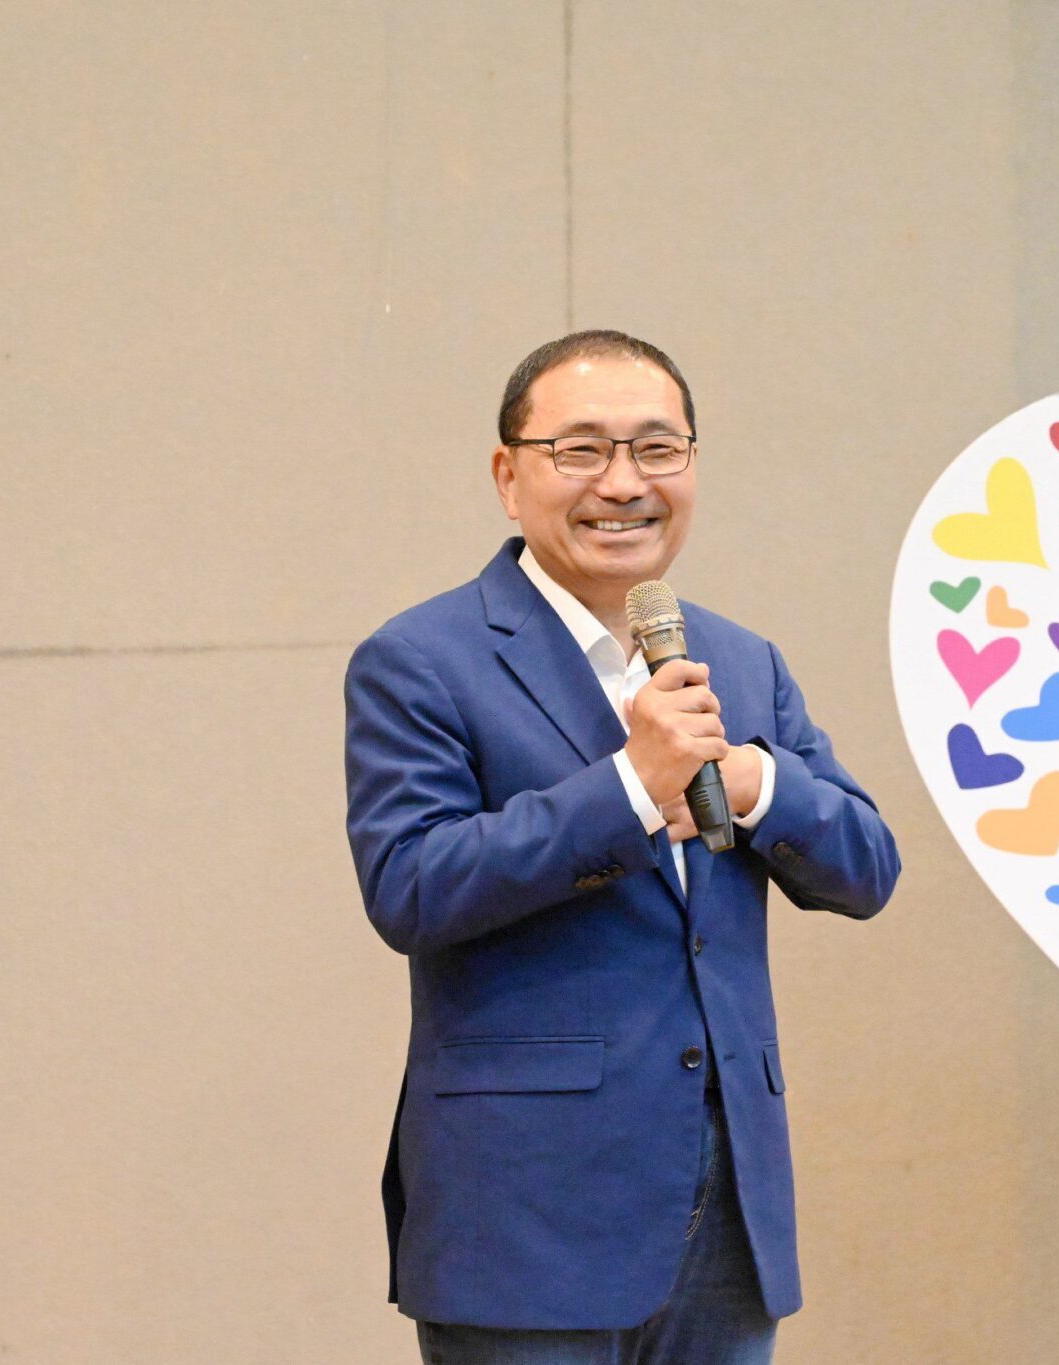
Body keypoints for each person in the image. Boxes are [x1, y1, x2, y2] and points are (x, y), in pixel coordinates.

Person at [343, 330, 901, 1365]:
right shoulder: (421, 660)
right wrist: (629, 790)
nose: (624, 483)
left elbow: (867, 867)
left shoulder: (740, 660)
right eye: (581, 450)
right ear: (508, 476)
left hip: (727, 1211)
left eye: (656, 449)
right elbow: (411, 885)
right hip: (526, 1218)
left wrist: (758, 783)